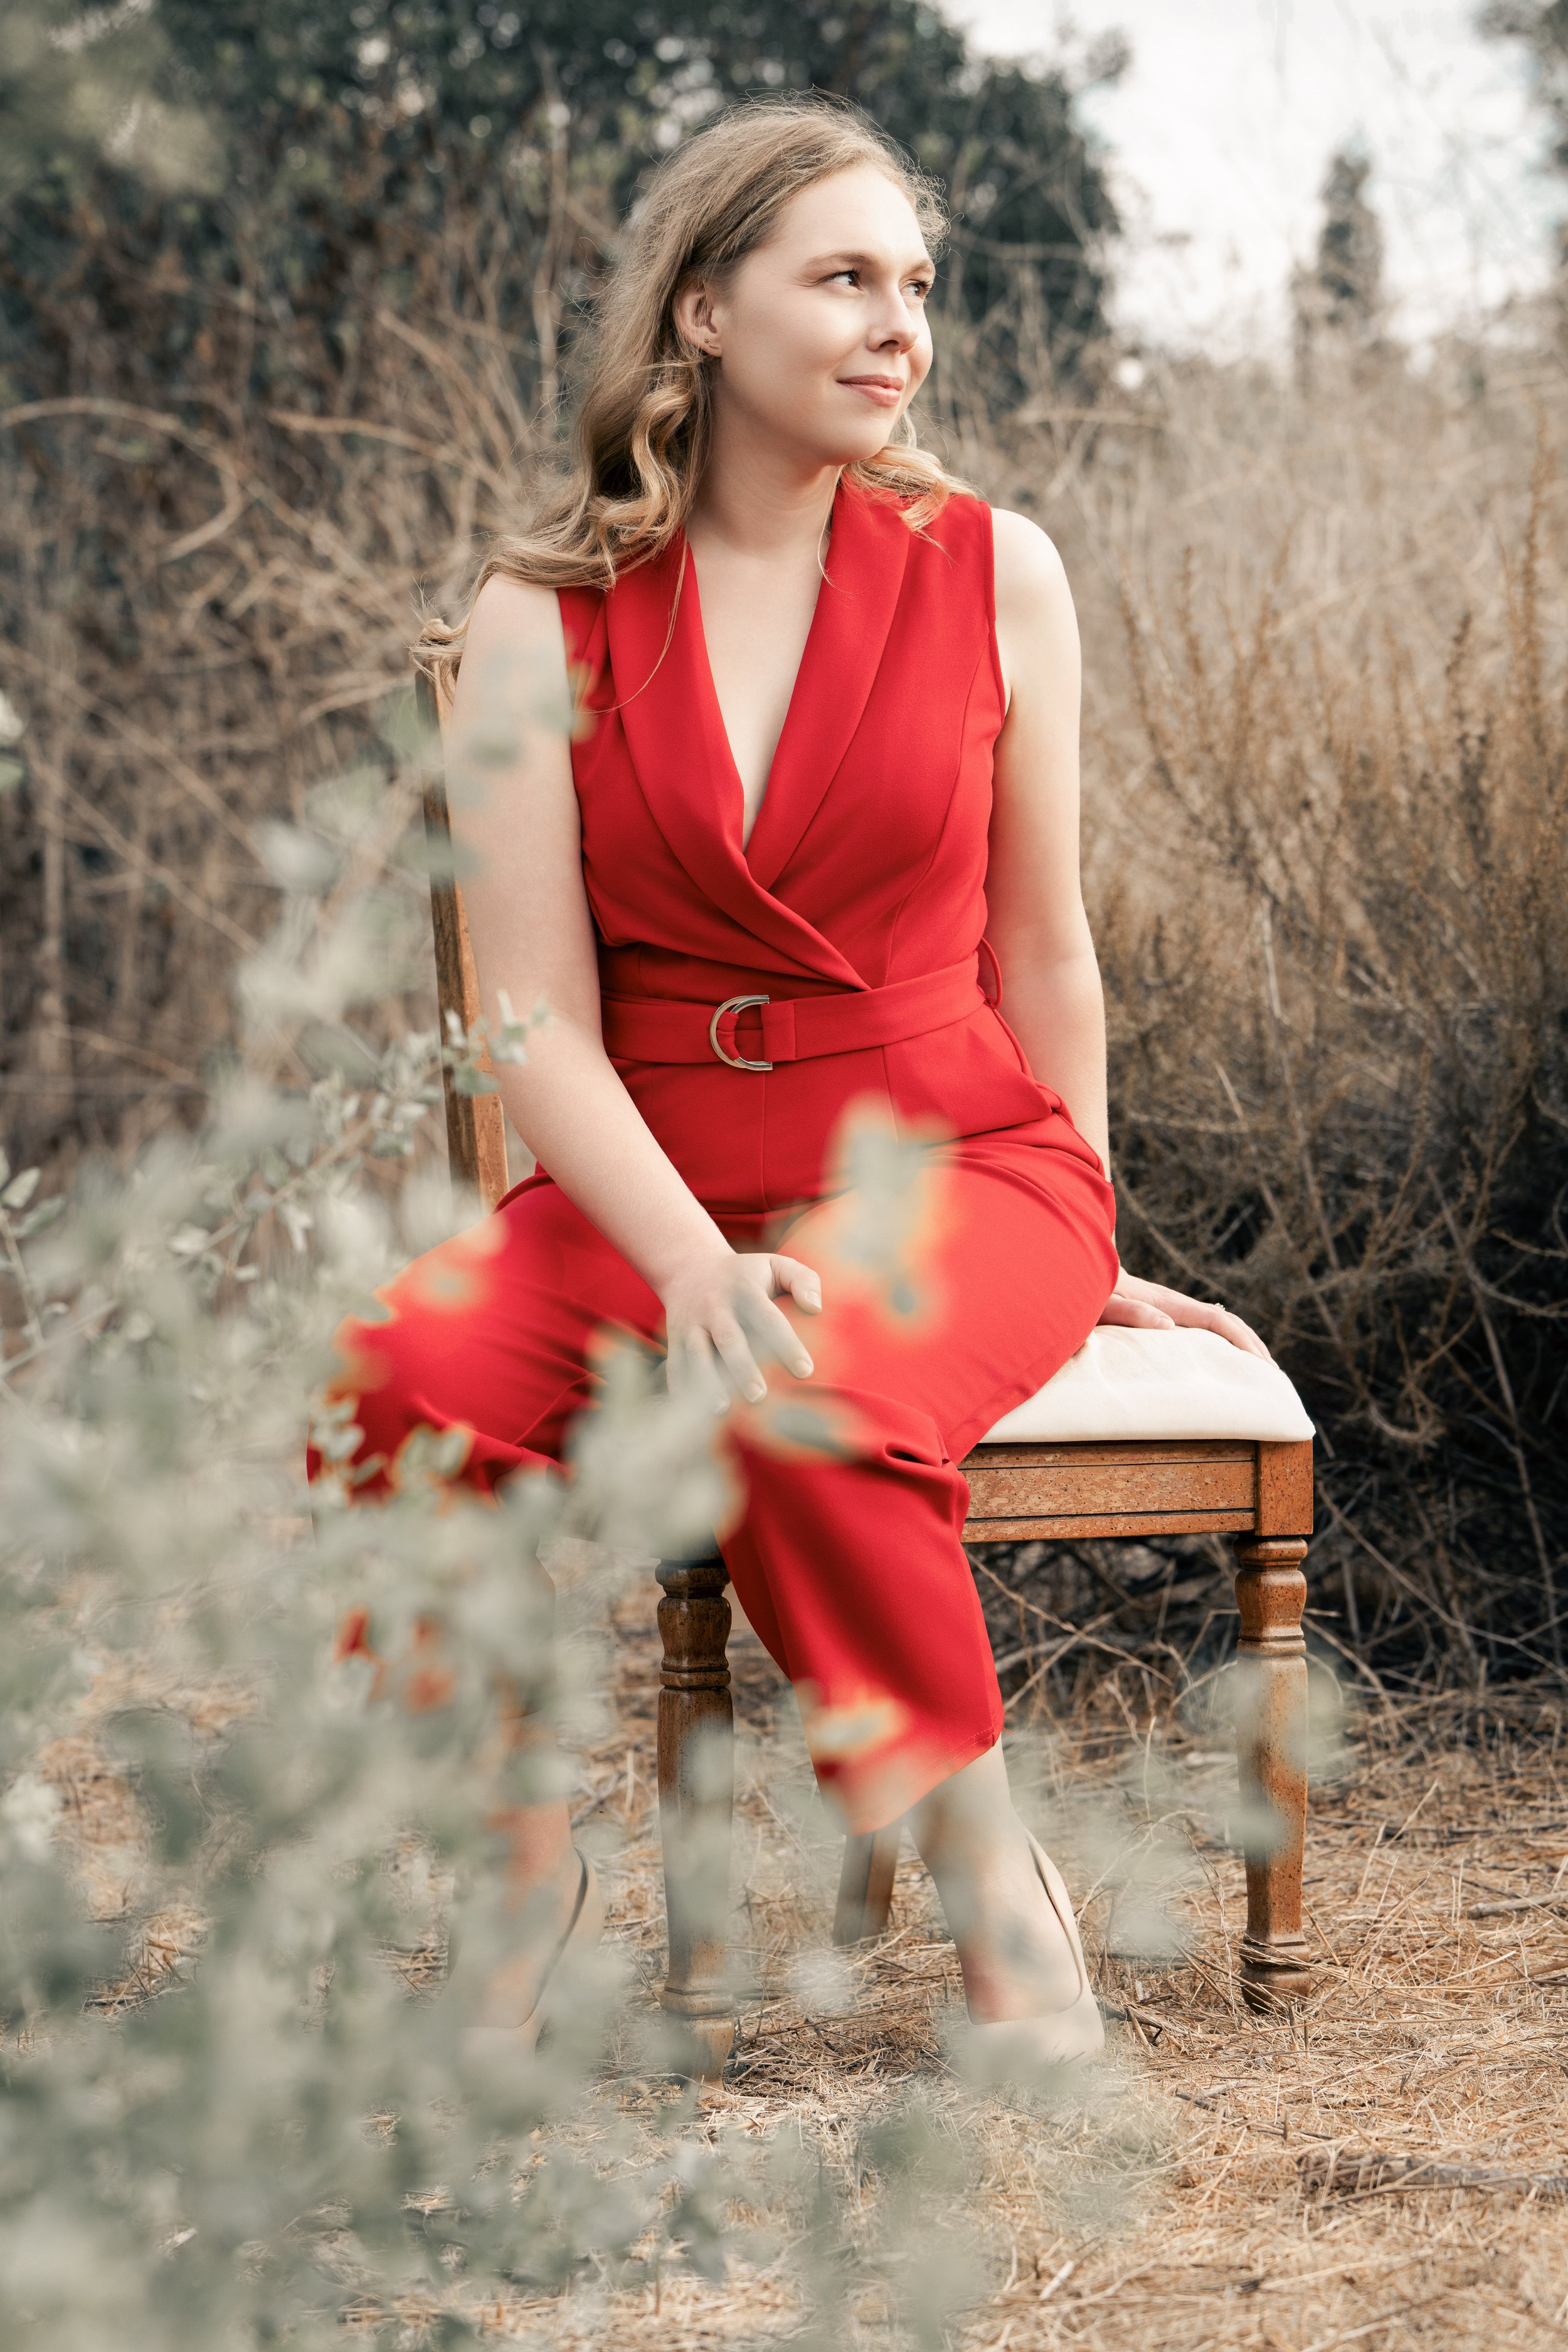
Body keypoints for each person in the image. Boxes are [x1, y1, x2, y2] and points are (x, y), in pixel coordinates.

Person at [316, 97, 1267, 2067]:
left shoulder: (994, 571)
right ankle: (515, 1868)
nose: (895, 324)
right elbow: (530, 1019)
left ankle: (994, 1884)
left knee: (801, 1393)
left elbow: (1047, 949)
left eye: (913, 285)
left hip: (962, 1163)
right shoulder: (539, 616)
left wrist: (1087, 1230)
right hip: (649, 1182)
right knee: (395, 1380)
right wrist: (683, 1261)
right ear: (700, 311)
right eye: (840, 279)